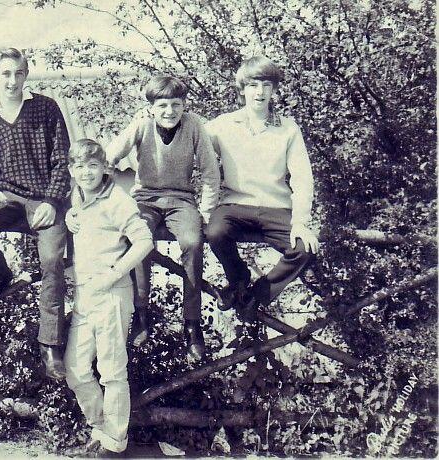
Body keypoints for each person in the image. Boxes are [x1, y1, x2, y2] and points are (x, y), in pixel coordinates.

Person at [91, 75, 221, 360]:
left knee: (192, 241)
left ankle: (192, 323)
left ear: (184, 106)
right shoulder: (141, 123)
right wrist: (104, 197)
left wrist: (207, 209)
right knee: (139, 239)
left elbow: (211, 172)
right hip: (145, 198)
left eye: (176, 104)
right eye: (162, 105)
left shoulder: (194, 125)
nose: (169, 111)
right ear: (150, 107)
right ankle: (141, 313)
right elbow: (108, 157)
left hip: (181, 200)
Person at [0, 47, 71, 380]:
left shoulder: (46, 108)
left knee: (52, 261)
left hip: (44, 201)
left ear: (26, 75)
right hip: (7, 200)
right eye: (6, 73)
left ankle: (50, 343)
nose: (12, 80)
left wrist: (53, 202)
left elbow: (62, 162)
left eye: (19, 73)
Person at [204, 56, 319, 316]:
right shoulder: (223, 124)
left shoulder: (288, 129)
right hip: (235, 205)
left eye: (267, 85)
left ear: (274, 90)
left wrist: (301, 221)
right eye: (254, 85)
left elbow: (302, 178)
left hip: (276, 208)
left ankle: (255, 297)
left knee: (303, 249)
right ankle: (239, 279)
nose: (260, 92)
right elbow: (190, 144)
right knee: (215, 232)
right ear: (242, 88)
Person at [63, 139, 153, 457]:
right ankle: (100, 428)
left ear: (104, 167)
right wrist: (68, 216)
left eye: (93, 166)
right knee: (75, 369)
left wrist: (113, 274)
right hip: (85, 296)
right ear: (72, 171)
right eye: (79, 167)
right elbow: (77, 217)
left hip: (113, 294)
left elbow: (144, 241)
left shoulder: (118, 200)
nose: (86, 173)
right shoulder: (77, 195)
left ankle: (115, 443)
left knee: (113, 372)